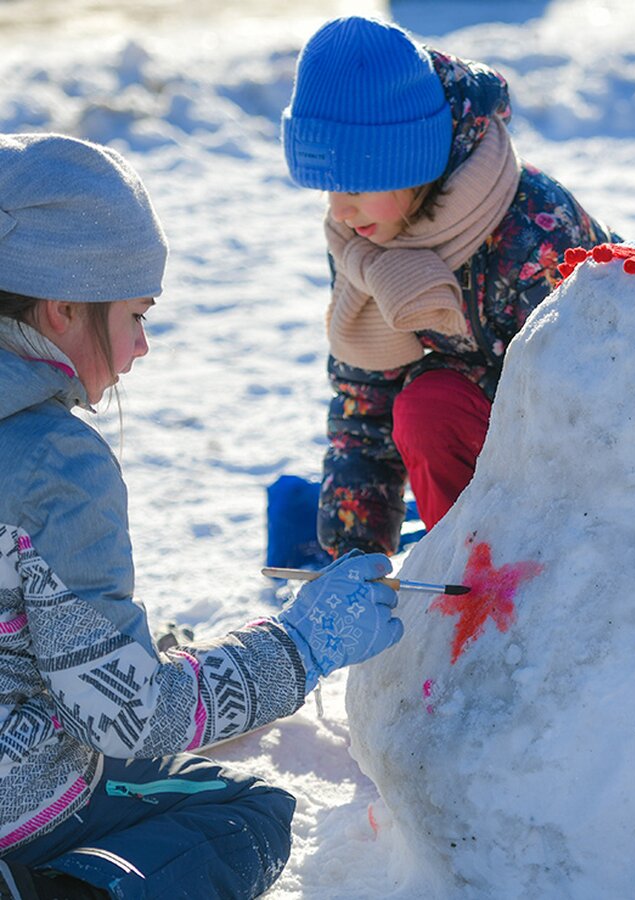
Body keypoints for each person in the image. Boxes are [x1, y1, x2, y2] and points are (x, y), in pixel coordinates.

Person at [0, 133, 405, 899]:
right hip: (14, 800)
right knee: (245, 813)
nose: (142, 347)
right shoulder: (54, 461)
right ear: (61, 308)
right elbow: (125, 720)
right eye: (134, 315)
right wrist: (298, 645)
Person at [281, 16, 618, 556]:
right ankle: (465, 575)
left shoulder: (531, 229)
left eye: (356, 185)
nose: (339, 210)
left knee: (446, 408)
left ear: (413, 160)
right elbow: (365, 399)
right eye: (325, 189)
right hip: (472, 435)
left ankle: (531, 578)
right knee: (424, 406)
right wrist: (353, 554)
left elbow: (600, 399)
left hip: (590, 461)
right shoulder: (363, 237)